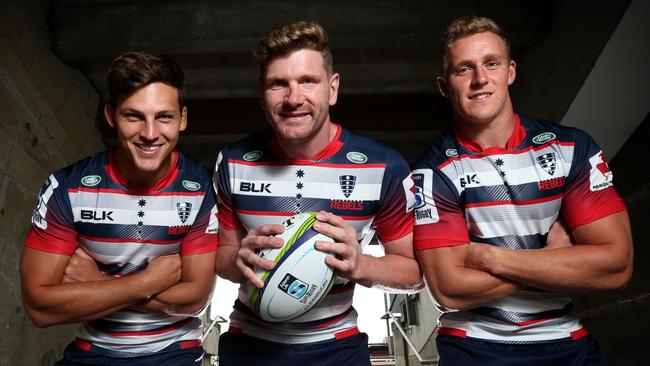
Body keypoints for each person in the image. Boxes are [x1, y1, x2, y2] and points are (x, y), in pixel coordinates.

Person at [412, 16, 633, 365]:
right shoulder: (433, 171)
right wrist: (553, 258)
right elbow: (449, 288)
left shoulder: (571, 148)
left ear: (510, 71)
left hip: (565, 337)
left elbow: (615, 267)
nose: (480, 79)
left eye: (491, 63)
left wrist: (487, 256)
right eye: (463, 70)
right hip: (474, 344)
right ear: (444, 86)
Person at [213, 21, 421, 365]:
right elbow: (222, 255)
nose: (294, 98)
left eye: (308, 81)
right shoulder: (233, 161)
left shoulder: (383, 165)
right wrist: (237, 260)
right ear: (261, 94)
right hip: (249, 343)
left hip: (337, 347)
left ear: (333, 88)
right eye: (278, 84)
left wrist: (361, 264)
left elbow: (413, 273)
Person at [20, 51, 218, 365]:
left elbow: (194, 299)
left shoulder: (199, 187)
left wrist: (98, 284)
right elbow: (39, 308)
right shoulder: (68, 187)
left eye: (164, 116)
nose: (150, 133)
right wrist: (148, 282)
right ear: (112, 116)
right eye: (134, 116)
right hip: (91, 353)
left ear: (182, 119)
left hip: (174, 354)